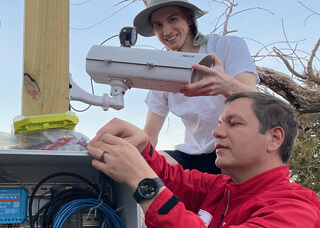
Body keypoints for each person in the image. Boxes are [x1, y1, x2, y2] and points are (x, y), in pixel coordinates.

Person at [87, 92, 320, 227]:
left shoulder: (296, 211)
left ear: (274, 138)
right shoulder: (221, 188)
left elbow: (155, 185)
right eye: (219, 124)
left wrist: (144, 185)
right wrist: (144, 148)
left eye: (234, 123)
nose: (216, 133)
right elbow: (171, 178)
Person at [133, 0, 259, 173]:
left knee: (227, 185)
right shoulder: (162, 70)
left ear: (189, 19)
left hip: (234, 148)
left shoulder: (228, 46)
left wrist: (226, 85)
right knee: (155, 164)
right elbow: (149, 136)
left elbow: (256, 101)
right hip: (193, 154)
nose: (167, 31)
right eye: (158, 25)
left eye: (173, 19)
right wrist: (126, 155)